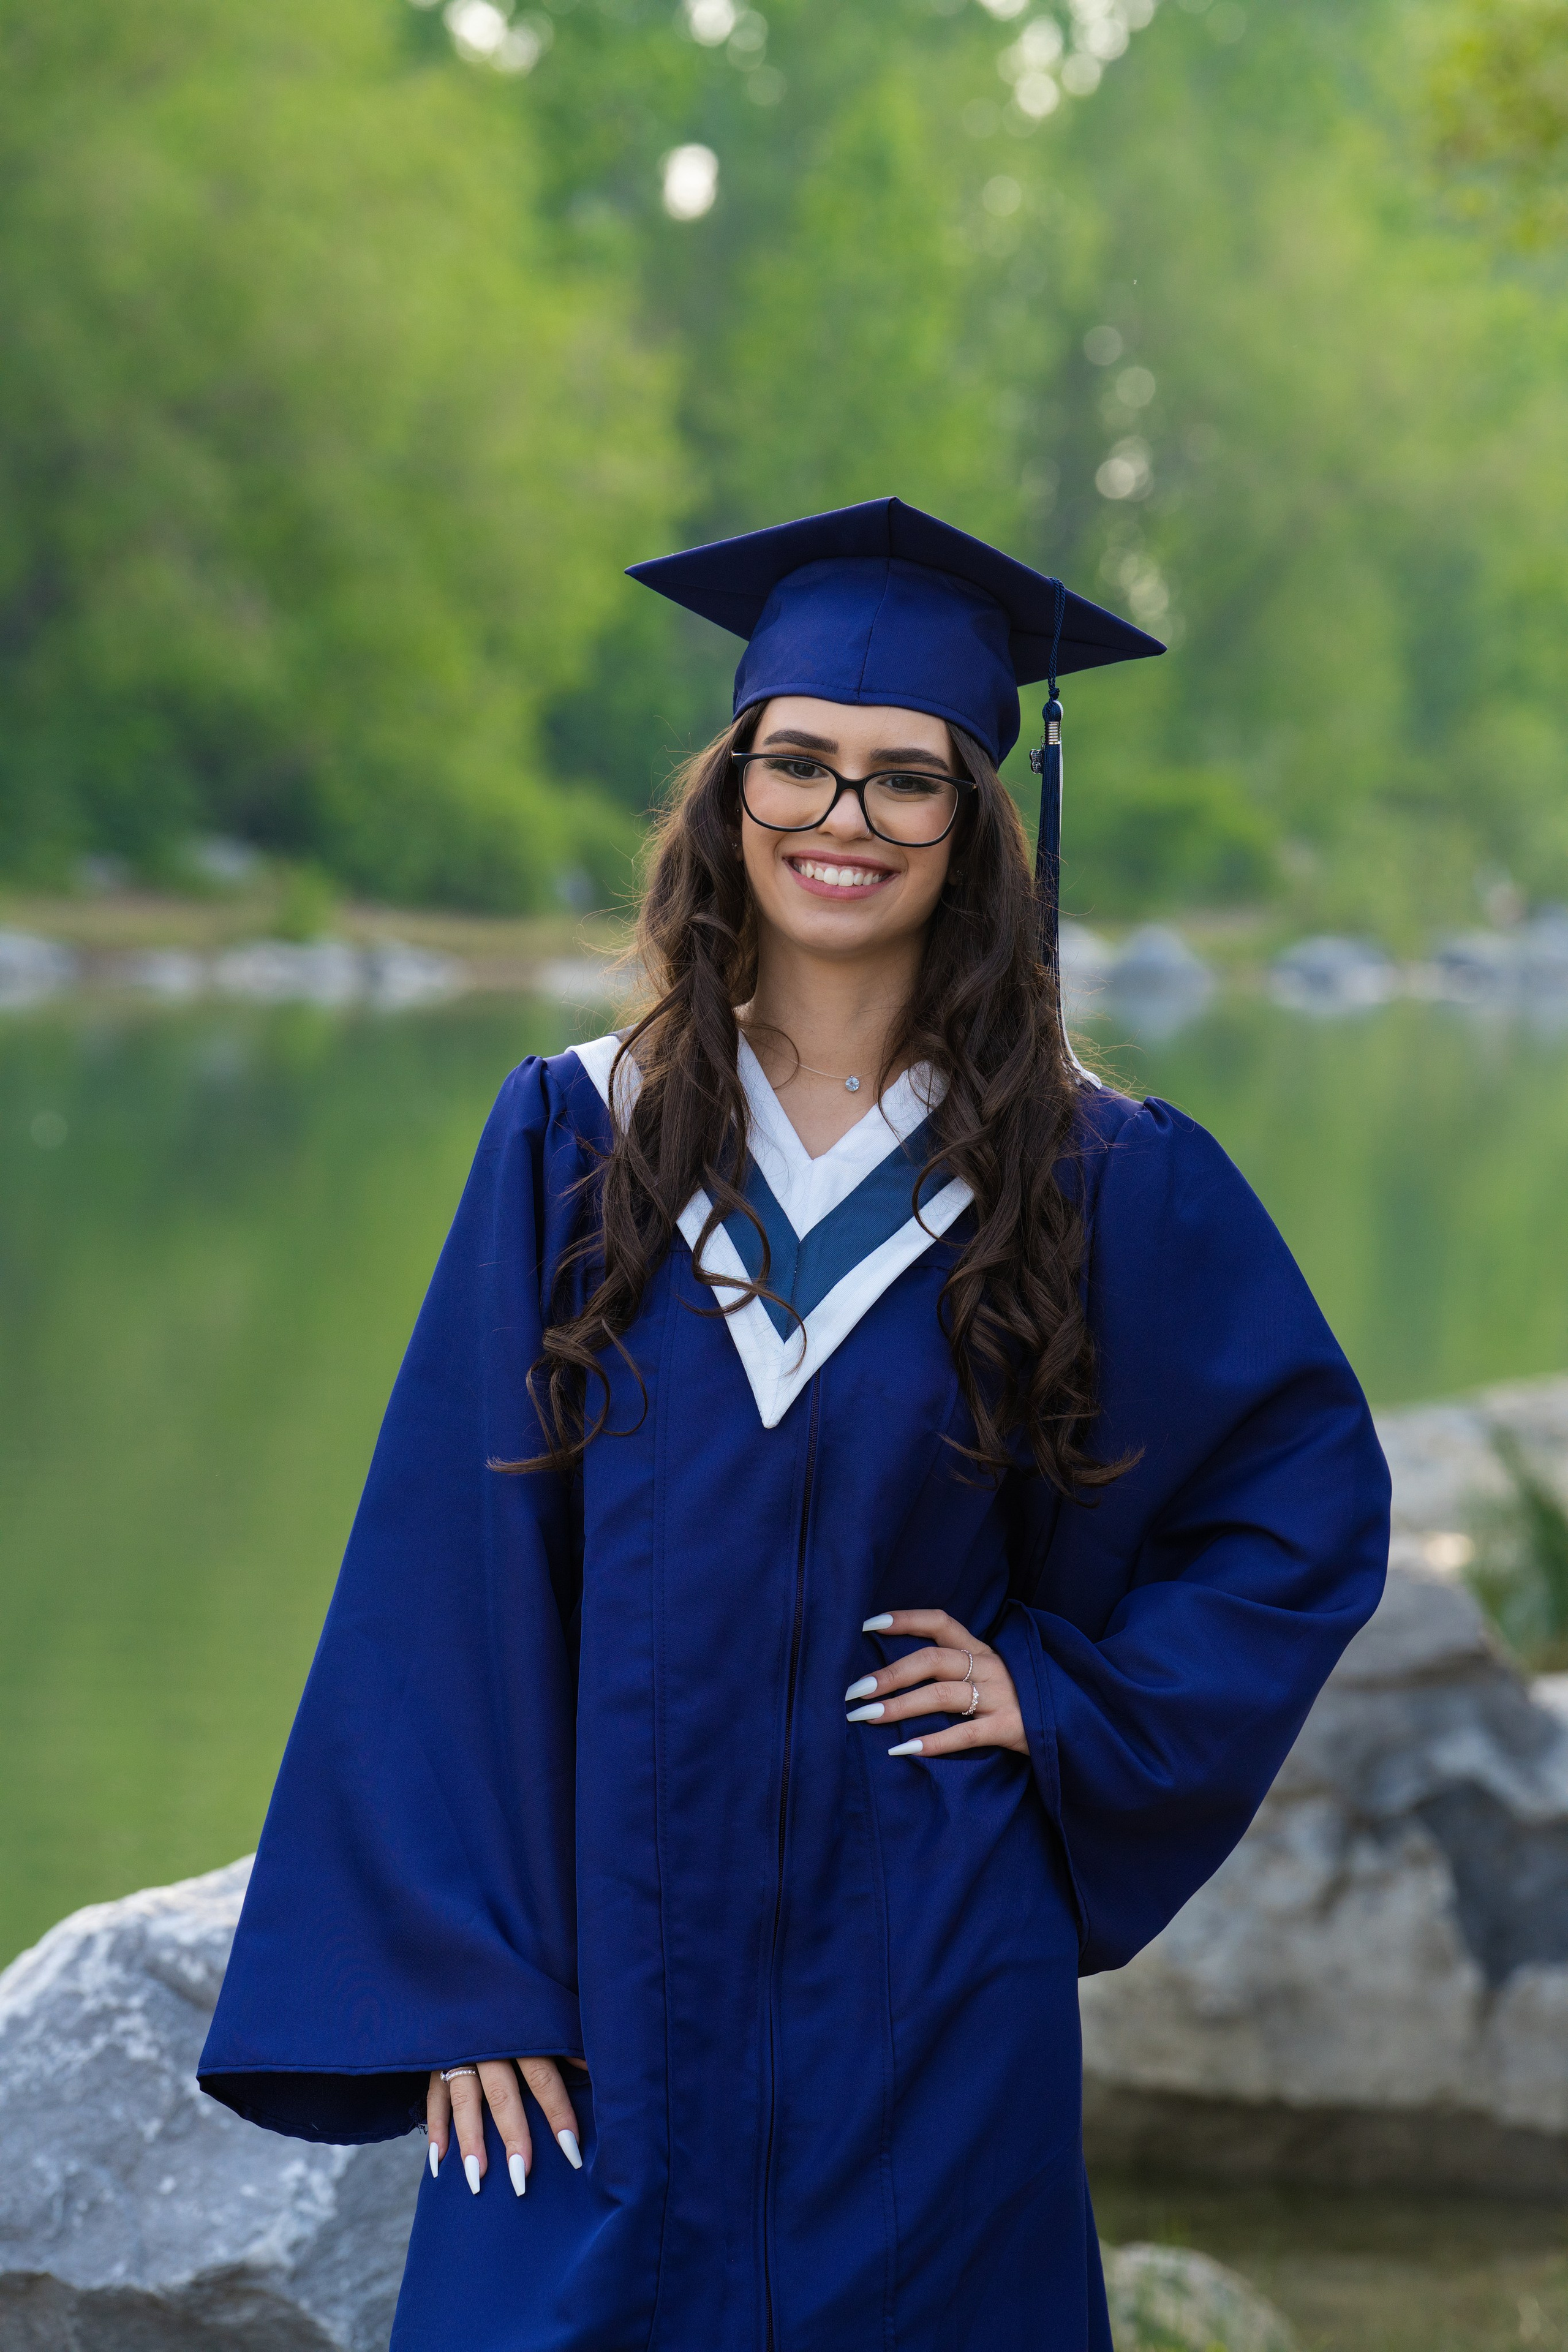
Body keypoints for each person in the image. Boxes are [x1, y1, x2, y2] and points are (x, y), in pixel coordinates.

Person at [199, 497, 1390, 2351]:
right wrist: (470, 1976)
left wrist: (1064, 1699)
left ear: (978, 823)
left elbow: (1296, 1501)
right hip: (603, 1991)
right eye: (803, 766)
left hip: (926, 1986)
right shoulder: (575, 1139)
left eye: (907, 781)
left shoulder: (1091, 1176)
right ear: (730, 788)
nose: (846, 820)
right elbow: (448, 1575)